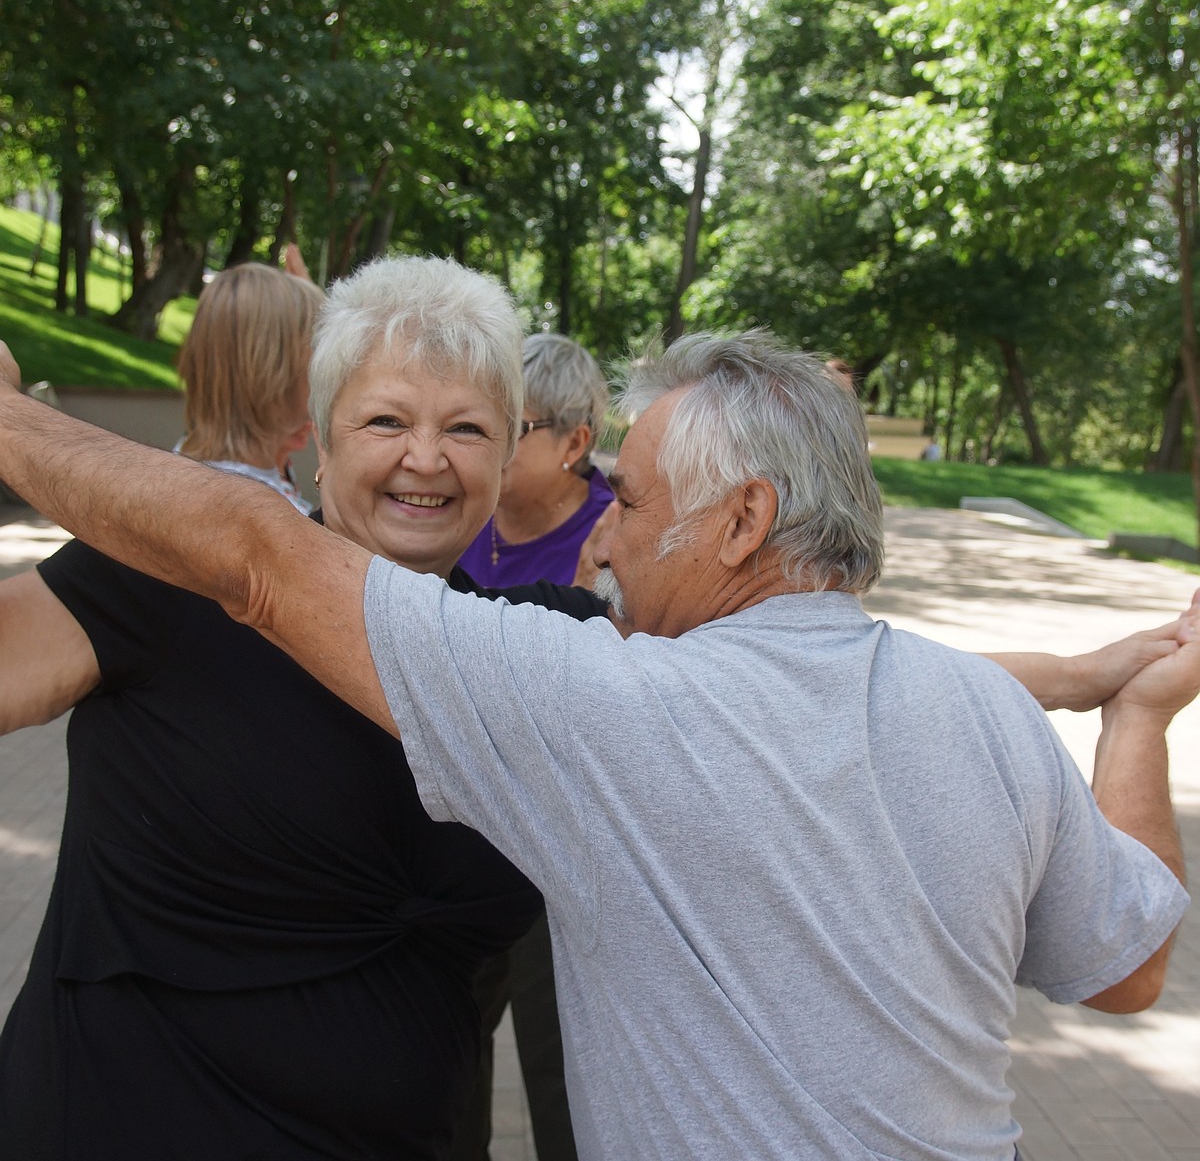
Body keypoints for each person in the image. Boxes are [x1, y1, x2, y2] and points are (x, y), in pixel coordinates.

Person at [0, 333, 1193, 1160]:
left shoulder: (613, 707)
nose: (598, 538)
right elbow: (1132, 968)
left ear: (742, 522)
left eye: (626, 498)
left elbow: (253, 552)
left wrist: (9, 420)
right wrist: (1134, 718)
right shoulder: (976, 709)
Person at [0, 256, 605, 1160]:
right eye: (387, 420)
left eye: (469, 429)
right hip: (112, 1119)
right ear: (320, 442)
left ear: (507, 452)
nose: (427, 458)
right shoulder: (175, 577)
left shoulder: (541, 647)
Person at [454, 332, 613, 1161]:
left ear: (575, 443)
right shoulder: (457, 513)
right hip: (458, 832)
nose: (477, 442)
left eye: (506, 426)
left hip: (563, 849)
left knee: (566, 1089)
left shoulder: (620, 532)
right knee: (442, 1061)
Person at [458, 332, 613, 589]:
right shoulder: (461, 496)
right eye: (484, 423)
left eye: (515, 428)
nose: (490, 440)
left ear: (573, 444)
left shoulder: (607, 539)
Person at [174, 261, 321, 510]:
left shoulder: (191, 456)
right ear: (272, 382)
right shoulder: (268, 515)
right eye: (315, 363)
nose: (324, 379)